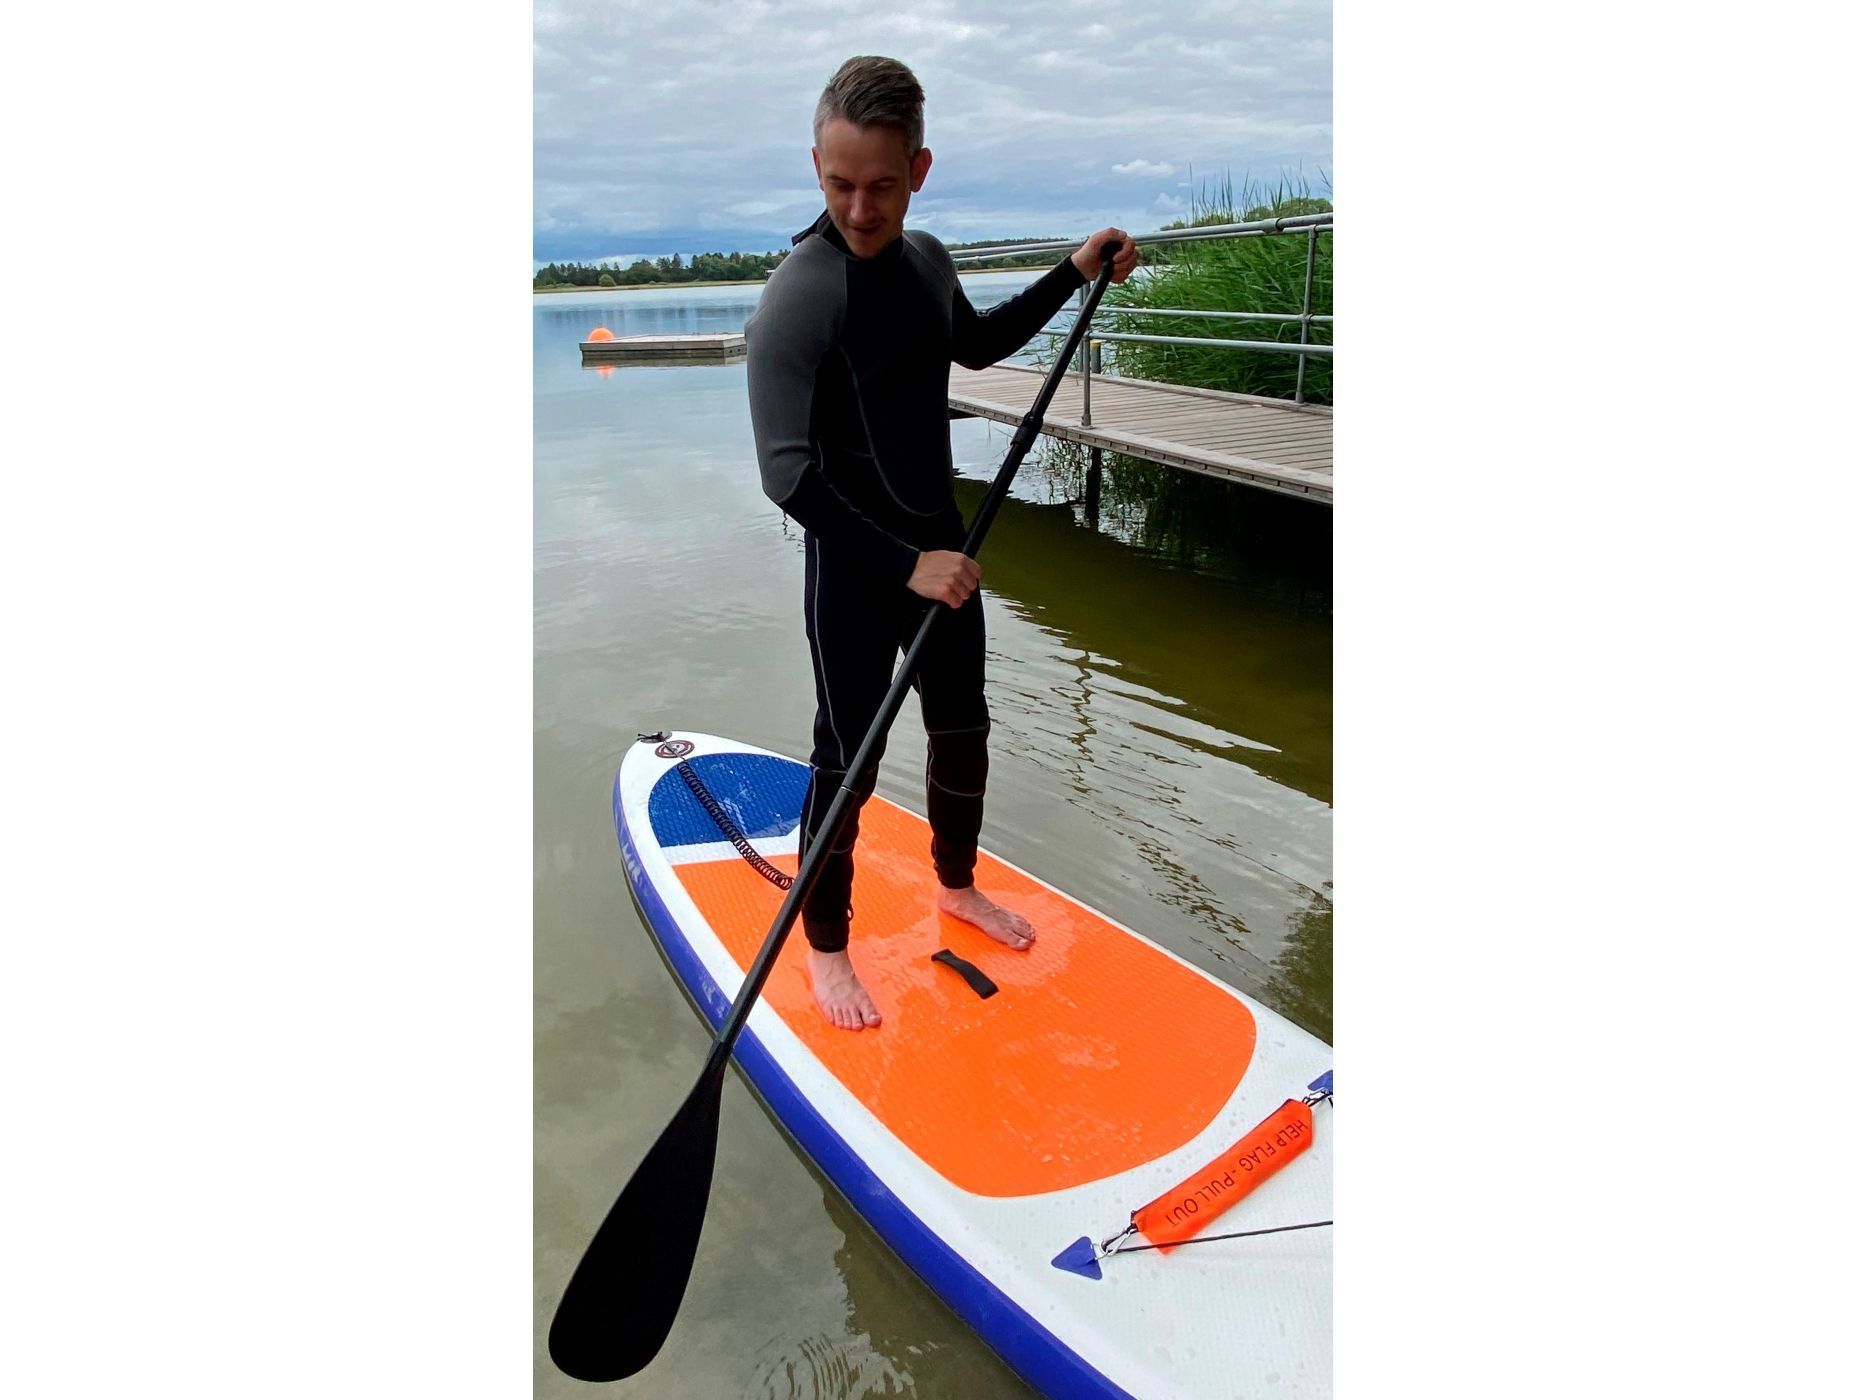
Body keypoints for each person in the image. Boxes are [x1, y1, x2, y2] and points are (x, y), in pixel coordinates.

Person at [744, 55, 1138, 1032]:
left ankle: (956, 887)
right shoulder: (800, 294)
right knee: (849, 755)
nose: (859, 207)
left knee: (963, 726)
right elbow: (785, 475)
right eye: (839, 183)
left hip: (943, 548)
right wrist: (904, 563)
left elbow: (977, 343)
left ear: (918, 170)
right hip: (857, 566)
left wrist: (1072, 271)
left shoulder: (924, 260)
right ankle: (826, 945)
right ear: (816, 164)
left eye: (882, 184)